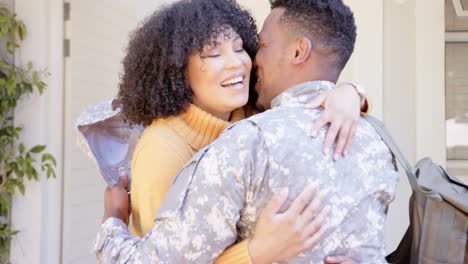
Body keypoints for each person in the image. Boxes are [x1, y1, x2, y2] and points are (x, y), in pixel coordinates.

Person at [93, 0, 391, 263]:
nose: (239, 62)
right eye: (213, 54)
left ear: (299, 51)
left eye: (242, 48)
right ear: (176, 69)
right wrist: (255, 253)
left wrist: (353, 93)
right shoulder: (163, 148)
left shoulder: (252, 122)